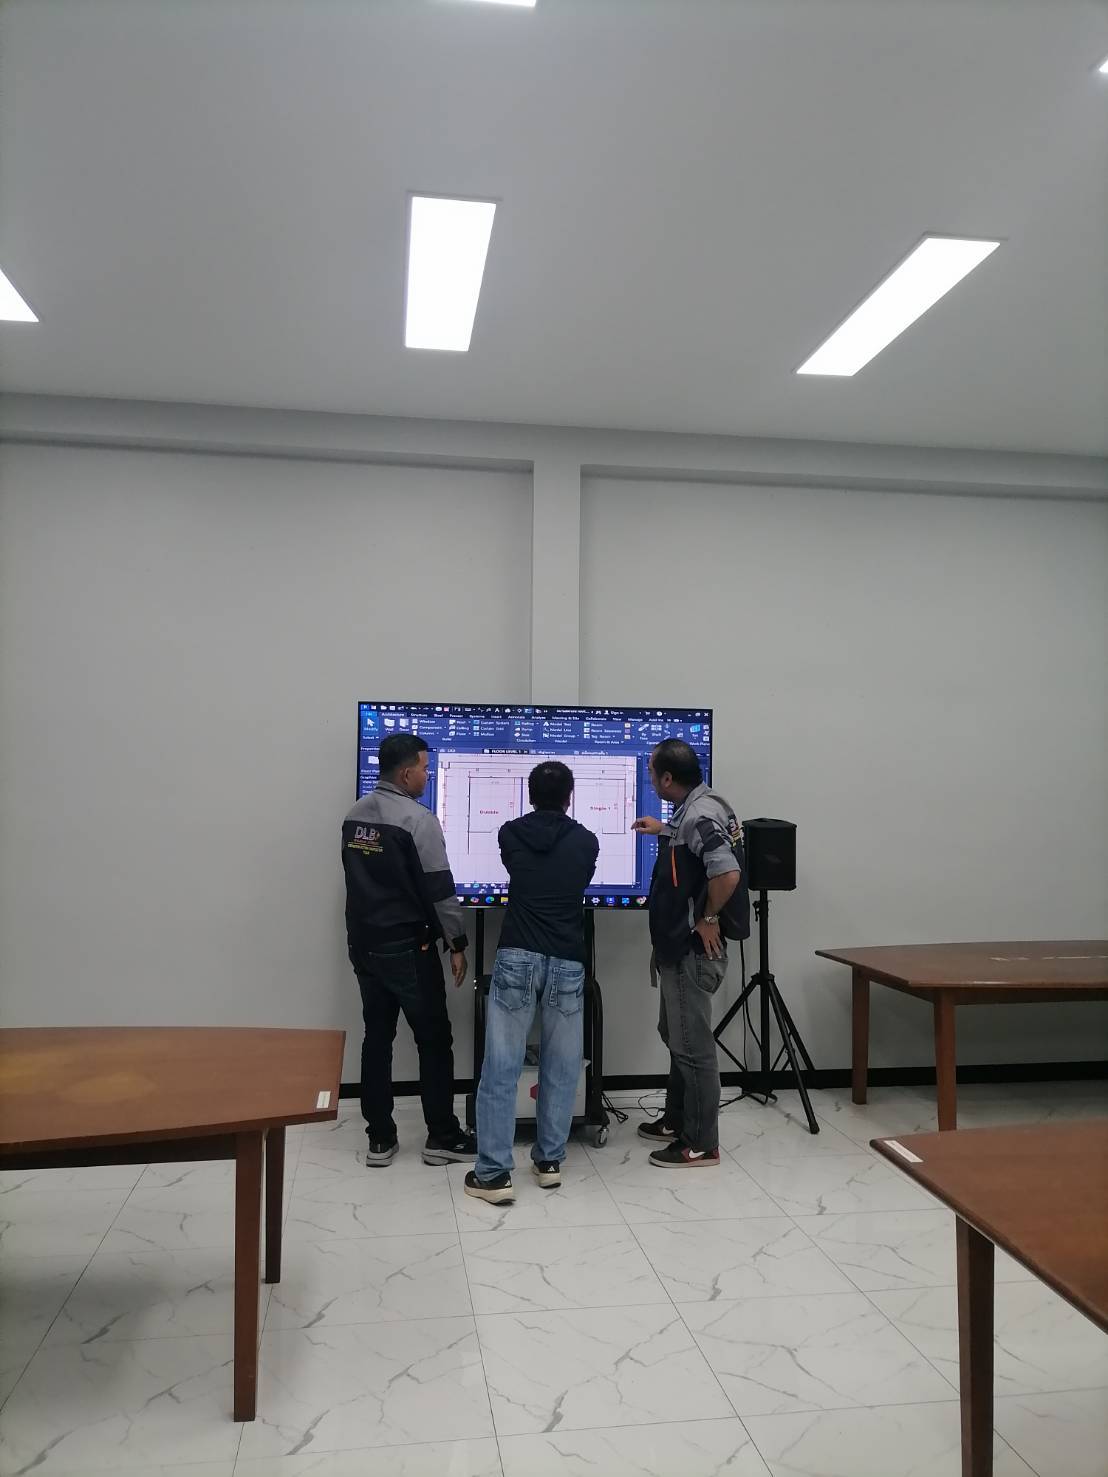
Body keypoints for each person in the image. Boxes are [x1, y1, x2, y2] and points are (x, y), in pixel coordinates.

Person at [465, 761, 599, 1204]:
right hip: (568, 958)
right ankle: (549, 1163)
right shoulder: (587, 841)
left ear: (529, 794)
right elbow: (578, 881)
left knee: (500, 1067)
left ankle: (493, 1174)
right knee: (561, 1066)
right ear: (570, 797)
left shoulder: (509, 833)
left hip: (517, 955)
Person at [342, 732, 477, 1168]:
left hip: (365, 945)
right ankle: (442, 1136)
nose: (427, 775)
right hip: (407, 948)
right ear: (405, 774)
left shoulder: (354, 816)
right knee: (434, 1039)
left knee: (377, 1038)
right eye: (424, 768)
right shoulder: (418, 821)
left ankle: (380, 1139)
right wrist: (456, 943)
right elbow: (440, 890)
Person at [632, 738, 746, 1168]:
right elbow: (700, 852)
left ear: (667, 778)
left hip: (691, 951)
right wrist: (662, 830)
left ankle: (700, 1143)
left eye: (651, 772)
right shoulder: (698, 808)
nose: (649, 778)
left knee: (693, 1047)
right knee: (676, 1036)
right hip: (676, 948)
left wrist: (708, 917)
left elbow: (727, 873)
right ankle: (676, 1120)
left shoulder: (699, 814)